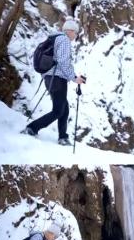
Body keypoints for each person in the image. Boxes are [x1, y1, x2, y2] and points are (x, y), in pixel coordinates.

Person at [22, 18, 86, 146]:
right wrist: (74, 78)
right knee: (58, 111)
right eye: (76, 33)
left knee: (64, 109)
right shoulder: (64, 40)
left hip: (50, 78)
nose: (76, 36)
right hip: (57, 79)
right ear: (71, 31)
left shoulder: (55, 38)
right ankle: (32, 128)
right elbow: (63, 61)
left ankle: (63, 137)